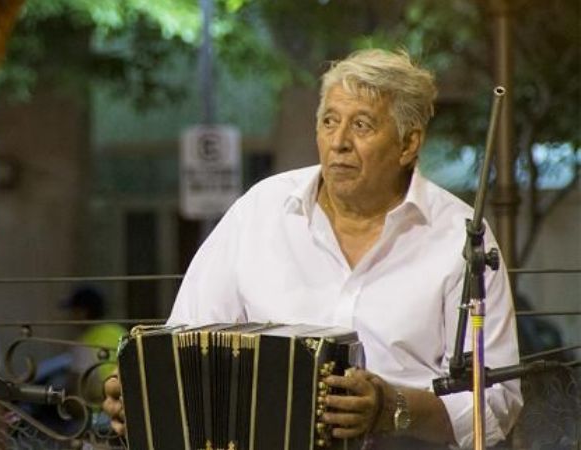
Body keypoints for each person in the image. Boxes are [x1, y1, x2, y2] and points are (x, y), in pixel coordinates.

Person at [103, 48, 522, 448]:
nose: (338, 142)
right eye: (329, 121)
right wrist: (145, 392)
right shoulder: (260, 211)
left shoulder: (460, 236)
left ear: (408, 144)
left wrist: (392, 407)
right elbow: (185, 339)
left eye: (361, 126)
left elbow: (497, 404)